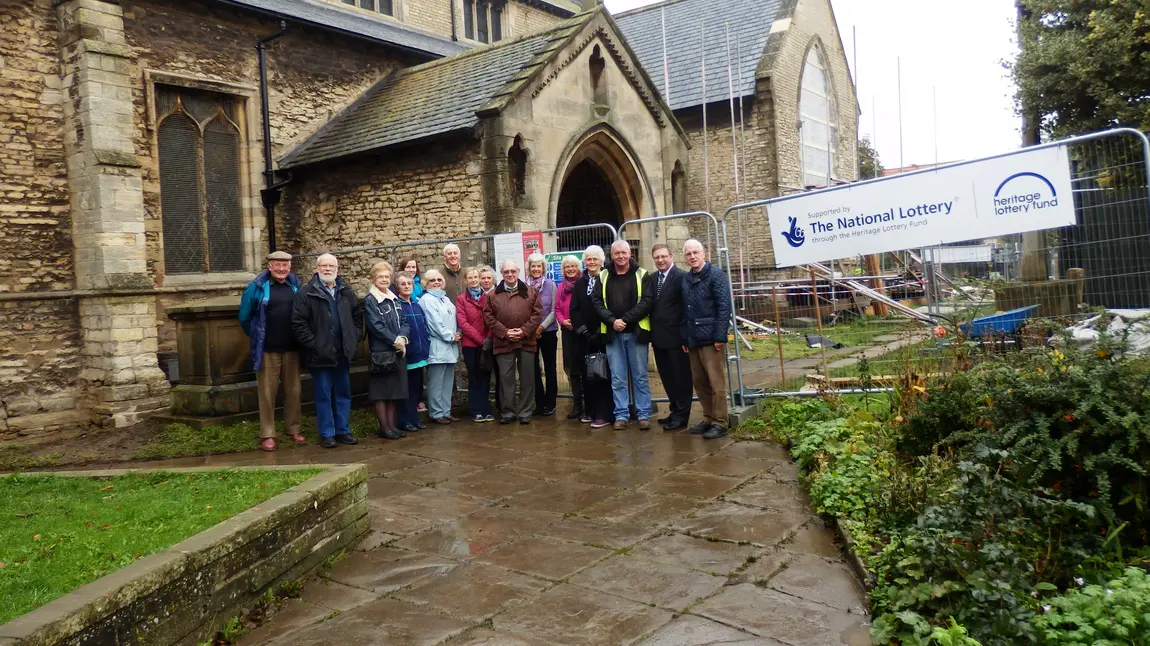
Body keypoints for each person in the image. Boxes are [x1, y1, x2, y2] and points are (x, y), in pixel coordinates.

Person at [291, 253, 362, 449]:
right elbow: (298, 324)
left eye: (331, 266)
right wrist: (314, 344)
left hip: (342, 352)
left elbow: (357, 317)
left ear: (337, 269)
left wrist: (353, 338)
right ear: (317, 268)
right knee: (323, 395)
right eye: (324, 266)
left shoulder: (346, 291)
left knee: (343, 394)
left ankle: (343, 430)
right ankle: (327, 433)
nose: (327, 269)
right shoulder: (306, 293)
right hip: (319, 355)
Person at [239, 250, 304, 451]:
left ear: (290, 267)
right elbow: (244, 317)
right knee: (268, 393)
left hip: (292, 348)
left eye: (285, 265)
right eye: (277, 265)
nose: (281, 269)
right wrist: (257, 336)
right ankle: (268, 433)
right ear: (270, 266)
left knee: (294, 390)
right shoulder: (257, 287)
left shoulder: (296, 286)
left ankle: (293, 428)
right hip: (267, 349)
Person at [592, 240, 654, 431]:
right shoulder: (603, 275)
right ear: (611, 255)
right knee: (618, 378)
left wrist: (625, 320)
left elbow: (647, 301)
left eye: (623, 253)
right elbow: (596, 301)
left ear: (630, 254)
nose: (620, 256)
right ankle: (621, 415)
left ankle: (643, 414)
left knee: (640, 376)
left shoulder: (642, 274)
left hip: (635, 333)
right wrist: (612, 321)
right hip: (612, 335)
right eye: (616, 253)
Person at [681, 239, 733, 440]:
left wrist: (720, 335)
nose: (692, 257)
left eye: (696, 252)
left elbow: (724, 307)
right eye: (688, 254)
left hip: (712, 338)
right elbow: (685, 311)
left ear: (704, 253)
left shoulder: (716, 275)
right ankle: (709, 417)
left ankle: (721, 422)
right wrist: (685, 337)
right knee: (700, 382)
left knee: (716, 382)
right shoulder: (686, 279)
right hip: (693, 338)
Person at [483, 259, 542, 425]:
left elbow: (537, 314)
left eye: (513, 271)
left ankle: (525, 412)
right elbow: (489, 317)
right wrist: (505, 332)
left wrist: (523, 331)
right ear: (502, 274)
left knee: (527, 379)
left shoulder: (531, 291)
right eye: (506, 272)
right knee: (505, 379)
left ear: (518, 272)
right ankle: (508, 412)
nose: (510, 274)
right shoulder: (492, 295)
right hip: (503, 342)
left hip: (527, 342)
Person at [647, 244, 692, 431]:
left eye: (664, 256)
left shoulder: (681, 277)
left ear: (671, 256)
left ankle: (682, 416)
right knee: (666, 376)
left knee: (680, 377)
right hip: (658, 338)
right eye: (657, 257)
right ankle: (674, 411)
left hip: (676, 338)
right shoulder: (652, 278)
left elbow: (686, 308)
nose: (660, 260)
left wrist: (685, 337)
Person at [569, 245, 613, 428]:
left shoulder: (608, 279)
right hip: (585, 337)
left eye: (595, 259)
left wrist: (599, 331)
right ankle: (590, 411)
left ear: (601, 260)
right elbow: (574, 309)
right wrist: (584, 331)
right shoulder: (580, 283)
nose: (592, 262)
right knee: (588, 375)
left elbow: (610, 307)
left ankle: (604, 414)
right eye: (588, 259)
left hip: (604, 335)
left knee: (604, 375)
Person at [364, 261, 409, 441]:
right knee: (381, 392)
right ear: (374, 279)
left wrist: (403, 338)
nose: (384, 279)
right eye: (380, 277)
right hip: (381, 352)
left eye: (386, 277)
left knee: (393, 391)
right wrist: (394, 340)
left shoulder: (394, 298)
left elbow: (404, 321)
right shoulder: (371, 300)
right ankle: (384, 427)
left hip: (398, 350)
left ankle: (392, 426)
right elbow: (375, 325)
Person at [421, 269, 460, 424]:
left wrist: (457, 333)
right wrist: (450, 336)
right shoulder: (427, 300)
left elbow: (454, 318)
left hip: (450, 346)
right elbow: (434, 324)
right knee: (436, 383)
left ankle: (446, 411)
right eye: (432, 280)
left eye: (439, 279)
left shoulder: (445, 299)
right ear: (426, 284)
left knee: (447, 382)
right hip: (437, 346)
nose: (436, 282)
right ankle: (436, 413)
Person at [457, 267, 494, 423]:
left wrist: (489, 338)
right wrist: (480, 340)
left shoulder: (488, 297)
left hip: (487, 342)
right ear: (465, 280)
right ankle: (476, 409)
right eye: (470, 277)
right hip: (471, 344)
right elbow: (463, 323)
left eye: (475, 277)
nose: (473, 280)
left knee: (485, 376)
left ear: (480, 279)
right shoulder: (461, 299)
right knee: (474, 376)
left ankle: (486, 408)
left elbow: (493, 319)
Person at [395, 273, 430, 432]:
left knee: (416, 389)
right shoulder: (397, 306)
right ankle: (405, 420)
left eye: (409, 283)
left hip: (419, 354)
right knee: (405, 390)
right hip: (407, 355)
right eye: (403, 284)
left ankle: (415, 418)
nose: (407, 286)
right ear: (398, 287)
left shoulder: (416, 305)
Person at [526, 253, 558, 417]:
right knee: (533, 369)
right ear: (529, 268)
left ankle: (550, 403)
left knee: (550, 367)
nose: (536, 269)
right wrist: (532, 329)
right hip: (530, 333)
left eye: (539, 266)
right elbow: (523, 310)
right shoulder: (524, 286)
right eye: (533, 266)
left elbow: (554, 310)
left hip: (548, 331)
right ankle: (539, 402)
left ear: (543, 268)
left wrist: (541, 328)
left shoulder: (551, 285)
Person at [554, 255, 584, 421]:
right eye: (567, 267)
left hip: (583, 330)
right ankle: (577, 404)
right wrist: (563, 321)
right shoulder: (561, 287)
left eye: (573, 266)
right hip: (567, 331)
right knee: (571, 368)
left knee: (585, 367)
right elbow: (557, 308)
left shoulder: (583, 283)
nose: (570, 269)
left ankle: (590, 403)